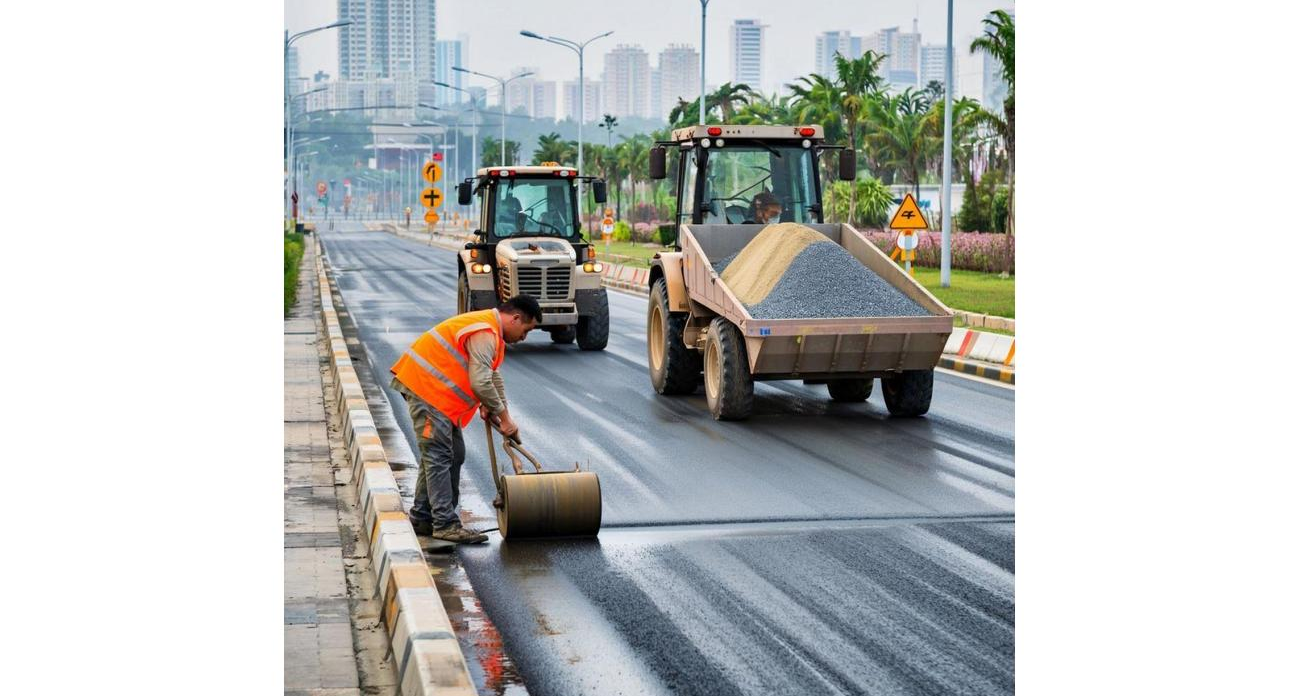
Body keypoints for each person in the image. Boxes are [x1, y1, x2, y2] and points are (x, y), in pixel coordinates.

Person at [389, 295, 542, 543]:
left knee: (453, 454)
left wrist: (504, 416)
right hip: (427, 390)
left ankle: (423, 517)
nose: (524, 337)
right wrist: (501, 416)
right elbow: (480, 381)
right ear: (515, 318)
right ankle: (445, 525)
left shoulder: (490, 332)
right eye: (526, 330)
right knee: (438, 456)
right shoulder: (484, 331)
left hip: (439, 398)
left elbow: (492, 378)